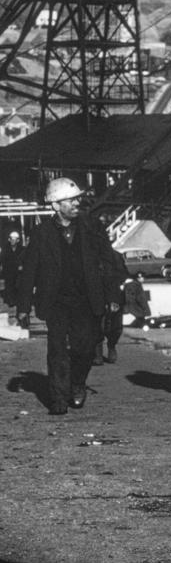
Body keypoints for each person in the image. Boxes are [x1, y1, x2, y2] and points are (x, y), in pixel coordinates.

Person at [15, 178, 127, 415]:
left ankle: (77, 383)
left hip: (87, 300)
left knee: (84, 349)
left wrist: (113, 295)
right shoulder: (42, 233)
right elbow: (30, 269)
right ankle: (58, 399)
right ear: (56, 205)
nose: (77, 203)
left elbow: (109, 262)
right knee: (57, 349)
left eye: (77, 199)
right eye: (71, 200)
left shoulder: (92, 227)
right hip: (56, 301)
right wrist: (23, 306)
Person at [1, 229, 24, 311]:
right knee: (9, 286)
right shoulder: (5, 249)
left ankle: (18, 301)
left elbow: (24, 259)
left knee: (18, 286)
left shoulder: (21, 249)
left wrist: (21, 266)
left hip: (18, 272)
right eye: (11, 239)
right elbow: (3, 260)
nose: (13, 241)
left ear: (18, 240)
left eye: (15, 239)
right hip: (9, 271)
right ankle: (11, 301)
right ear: (9, 239)